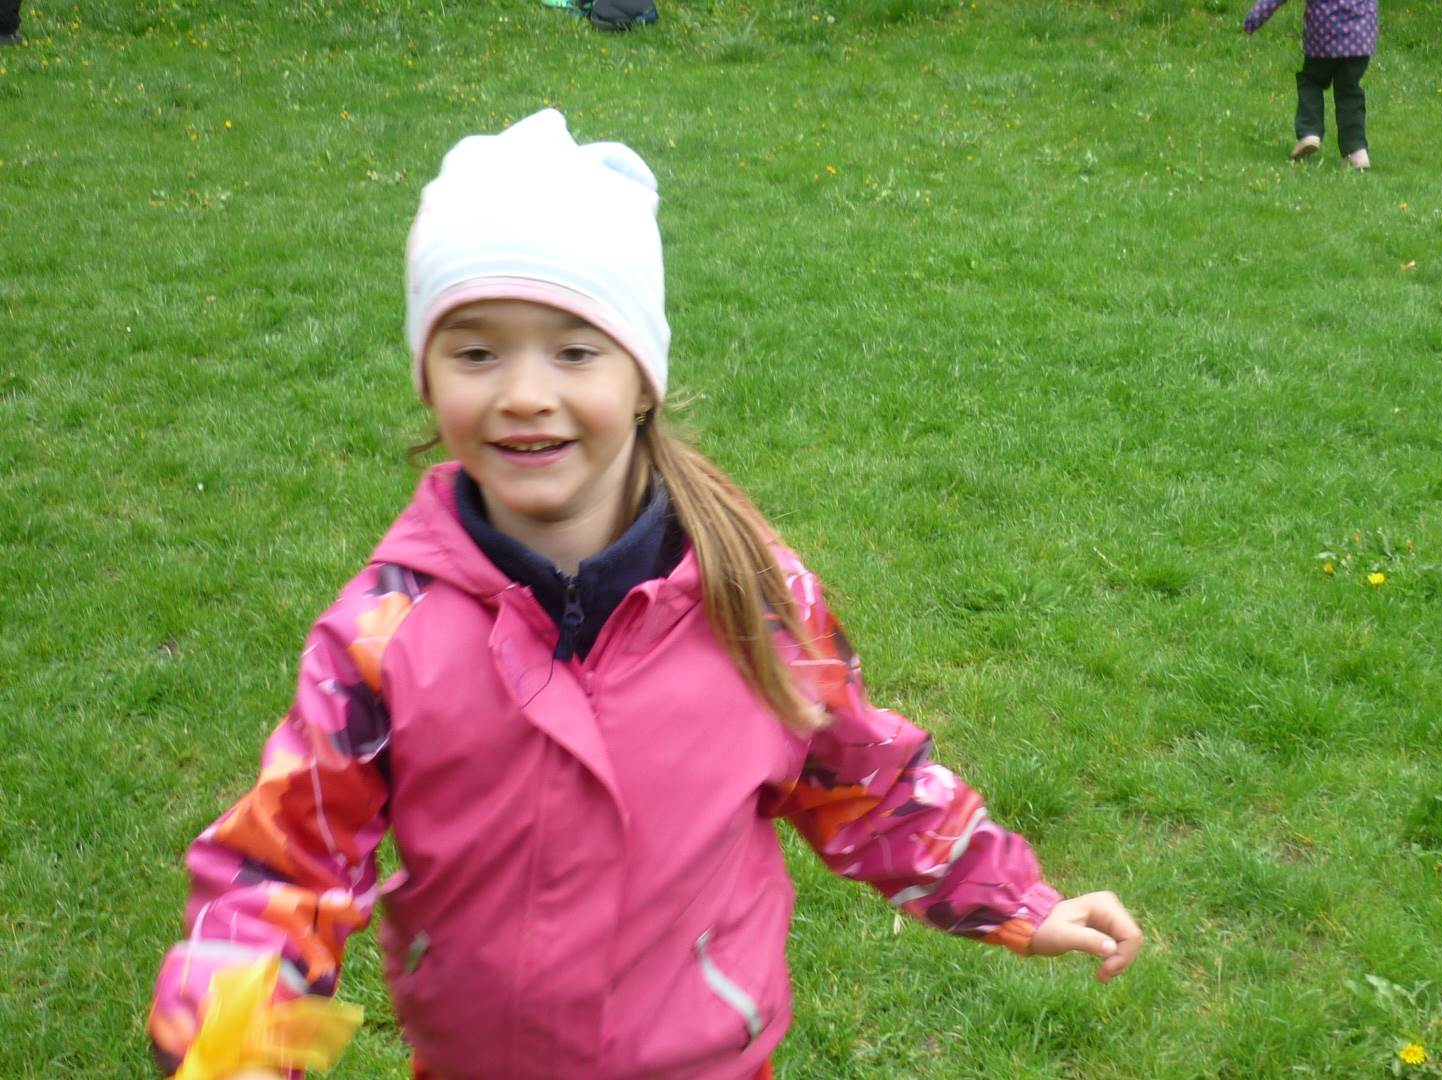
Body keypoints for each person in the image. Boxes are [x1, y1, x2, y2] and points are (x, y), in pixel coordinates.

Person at [147, 109, 1143, 1080]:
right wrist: (233, 1044)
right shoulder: (384, 634)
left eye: (575, 349)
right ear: (426, 376)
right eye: (475, 350)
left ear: (643, 378)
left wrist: (1017, 898)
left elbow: (865, 780)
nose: (523, 392)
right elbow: (288, 864)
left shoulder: (752, 601)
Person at [1244, 0, 1379, 169]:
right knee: (1349, 91)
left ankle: (1310, 132)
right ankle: (1356, 151)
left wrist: (1253, 20)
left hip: (1324, 33)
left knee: (1311, 81)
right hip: (1360, 36)